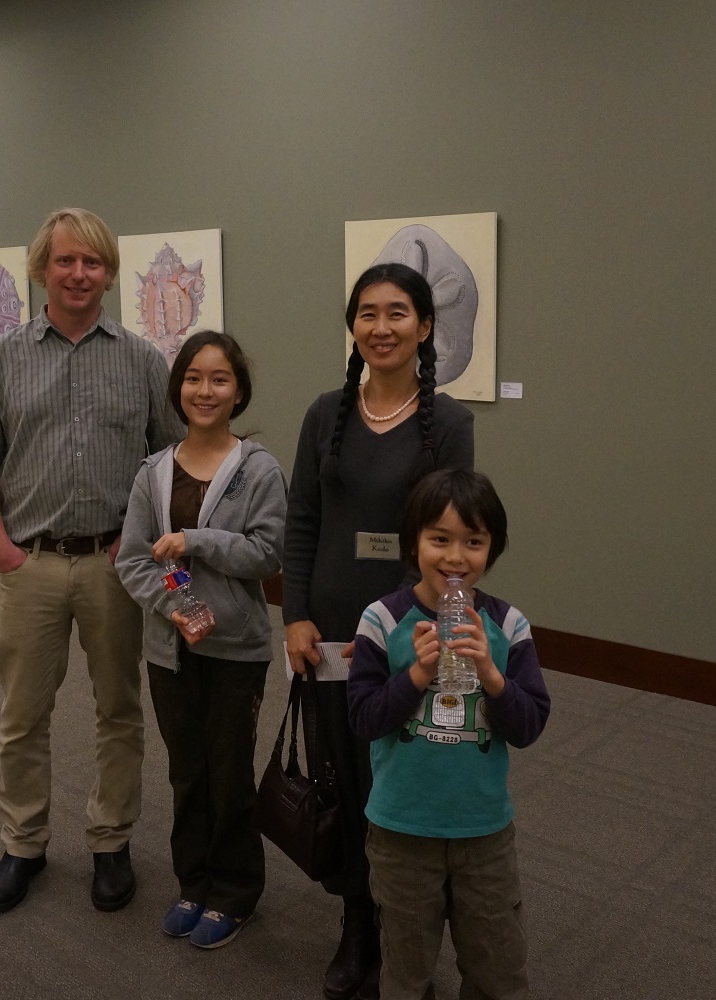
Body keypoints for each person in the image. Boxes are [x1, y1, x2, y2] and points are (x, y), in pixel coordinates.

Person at [0, 207, 183, 914]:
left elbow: (170, 461)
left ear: (108, 273)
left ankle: (110, 841)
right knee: (23, 715)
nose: (79, 274)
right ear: (41, 269)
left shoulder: (142, 359)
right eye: (65, 261)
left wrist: (138, 540)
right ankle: (23, 843)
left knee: (119, 709)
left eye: (92, 262)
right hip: (31, 565)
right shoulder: (2, 357)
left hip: (116, 565)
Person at [282, 263, 475, 999]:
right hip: (330, 629)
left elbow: (453, 540)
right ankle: (355, 920)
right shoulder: (323, 412)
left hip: (407, 635)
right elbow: (303, 520)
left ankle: (406, 927)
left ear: (424, 327)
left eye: (397, 313)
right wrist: (294, 614)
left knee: (398, 778)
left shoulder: (448, 423)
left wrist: (425, 633)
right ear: (353, 326)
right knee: (343, 771)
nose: (381, 327)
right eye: (367, 313)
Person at [347, 469, 551, 1000]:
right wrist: (415, 674)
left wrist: (492, 675)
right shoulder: (380, 619)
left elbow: (529, 726)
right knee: (407, 965)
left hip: (482, 830)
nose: (456, 557)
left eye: (473, 542)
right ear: (413, 542)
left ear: (492, 548)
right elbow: (363, 719)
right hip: (401, 829)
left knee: (498, 966)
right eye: (439, 539)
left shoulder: (508, 625)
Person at [115, 331, 287, 949]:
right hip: (170, 651)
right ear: (177, 388)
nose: (205, 390)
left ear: (238, 391)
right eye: (193, 378)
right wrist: (176, 607)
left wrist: (197, 541)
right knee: (187, 772)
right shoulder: (154, 473)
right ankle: (194, 883)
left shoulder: (259, 470)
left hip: (236, 651)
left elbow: (268, 554)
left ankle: (234, 893)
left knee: (229, 772)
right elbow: (133, 560)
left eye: (219, 379)